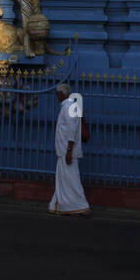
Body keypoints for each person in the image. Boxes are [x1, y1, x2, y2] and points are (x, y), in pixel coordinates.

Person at [49, 84, 91, 217]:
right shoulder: (69, 107)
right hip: (64, 151)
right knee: (64, 180)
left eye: (57, 94)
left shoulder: (69, 107)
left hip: (67, 152)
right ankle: (59, 205)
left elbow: (72, 131)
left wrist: (69, 150)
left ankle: (81, 206)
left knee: (72, 180)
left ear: (62, 94)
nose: (56, 96)